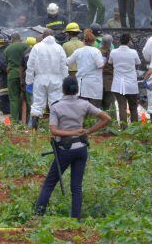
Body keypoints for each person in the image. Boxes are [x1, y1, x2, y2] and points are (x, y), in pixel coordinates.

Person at [33, 75, 111, 220]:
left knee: (49, 183)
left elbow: (54, 131)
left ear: (63, 89)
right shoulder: (84, 104)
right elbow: (107, 118)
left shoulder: (56, 106)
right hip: (81, 148)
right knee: (76, 187)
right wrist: (88, 131)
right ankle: (75, 220)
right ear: (77, 89)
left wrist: (71, 132)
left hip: (64, 150)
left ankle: (37, 216)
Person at [26, 29, 69, 129]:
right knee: (56, 102)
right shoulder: (59, 48)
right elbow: (64, 65)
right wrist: (65, 79)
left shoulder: (36, 47)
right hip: (56, 79)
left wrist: (29, 81)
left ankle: (34, 127)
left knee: (37, 103)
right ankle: (56, 127)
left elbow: (30, 66)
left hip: (40, 79)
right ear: (53, 36)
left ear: (43, 37)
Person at [109, 33, 141, 128]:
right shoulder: (133, 52)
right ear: (129, 41)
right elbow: (138, 62)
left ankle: (123, 128)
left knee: (122, 107)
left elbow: (110, 62)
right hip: (131, 84)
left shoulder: (113, 52)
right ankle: (135, 128)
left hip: (118, 84)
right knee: (133, 107)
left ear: (120, 41)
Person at [66, 29, 105, 107]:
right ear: (93, 41)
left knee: (82, 107)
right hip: (94, 83)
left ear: (83, 41)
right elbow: (100, 65)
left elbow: (67, 62)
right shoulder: (96, 51)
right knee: (93, 108)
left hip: (81, 83)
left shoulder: (78, 51)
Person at [4, 34, 31, 123]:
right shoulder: (26, 46)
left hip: (12, 75)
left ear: (12, 39)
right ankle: (28, 121)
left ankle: (15, 121)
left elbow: (6, 64)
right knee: (27, 99)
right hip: (25, 76)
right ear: (20, 39)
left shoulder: (7, 49)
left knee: (14, 98)